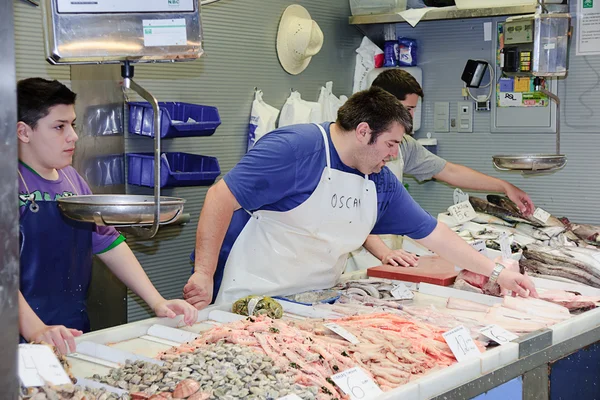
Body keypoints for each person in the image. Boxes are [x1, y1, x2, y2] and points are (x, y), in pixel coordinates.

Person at [183, 86, 537, 310]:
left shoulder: (378, 181)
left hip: (315, 301)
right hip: (250, 296)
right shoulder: (294, 147)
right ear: (364, 132)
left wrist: (496, 273)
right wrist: (203, 272)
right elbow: (220, 197)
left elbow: (434, 234)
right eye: (391, 144)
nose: (394, 156)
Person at [17, 78, 198, 355]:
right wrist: (35, 330)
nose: (73, 136)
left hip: (71, 331)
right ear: (23, 132)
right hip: (19, 338)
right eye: (59, 127)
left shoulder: (72, 180)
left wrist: (157, 301)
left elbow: (109, 243)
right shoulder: (10, 185)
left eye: (72, 124)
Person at [352, 69, 535, 270]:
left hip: (393, 253)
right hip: (361, 257)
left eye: (413, 109)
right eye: (407, 109)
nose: (410, 117)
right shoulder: (357, 149)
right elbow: (352, 213)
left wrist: (504, 186)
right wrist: (384, 252)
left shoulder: (405, 145)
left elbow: (449, 171)